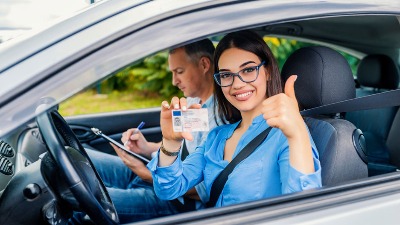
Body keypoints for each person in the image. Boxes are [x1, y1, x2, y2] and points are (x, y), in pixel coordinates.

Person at [148, 30, 322, 207]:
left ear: (267, 71)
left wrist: (297, 133)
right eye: (226, 75)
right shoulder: (216, 137)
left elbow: (303, 211)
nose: (237, 84)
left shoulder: (288, 134)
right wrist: (170, 142)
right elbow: (168, 189)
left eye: (248, 70)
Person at [71, 39, 222, 224]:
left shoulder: (220, 118)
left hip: (175, 201)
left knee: (80, 205)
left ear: (204, 64)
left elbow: (203, 190)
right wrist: (145, 147)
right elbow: (178, 146)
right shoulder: (192, 102)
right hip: (155, 172)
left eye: (179, 72)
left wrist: (144, 173)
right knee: (78, 159)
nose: (174, 81)